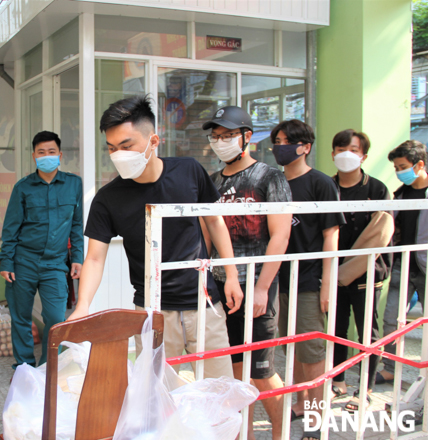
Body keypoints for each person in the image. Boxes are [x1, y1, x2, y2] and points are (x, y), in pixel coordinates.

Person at [68, 95, 243, 379]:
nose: (118, 155)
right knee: (160, 397)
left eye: (127, 146)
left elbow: (214, 220)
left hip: (204, 302)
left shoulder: (189, 171)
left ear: (153, 141)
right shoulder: (108, 198)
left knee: (219, 389)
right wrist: (83, 306)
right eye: (112, 148)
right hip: (152, 311)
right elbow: (95, 258)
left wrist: (231, 275)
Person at [204, 106, 292, 440]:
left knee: (262, 370)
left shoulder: (270, 177)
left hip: (257, 287)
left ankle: (281, 432)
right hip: (222, 289)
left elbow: (280, 235)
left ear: (246, 137)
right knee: (235, 372)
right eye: (215, 136)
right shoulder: (212, 182)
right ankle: (245, 435)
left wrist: (262, 288)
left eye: (227, 135)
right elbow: (206, 234)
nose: (220, 142)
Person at [270, 120, 344, 438]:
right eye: (276, 141)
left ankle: (316, 421)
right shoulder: (273, 182)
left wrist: (327, 284)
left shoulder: (321, 183)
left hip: (310, 281)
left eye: (286, 141)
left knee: (313, 354)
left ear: (305, 147)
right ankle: (300, 406)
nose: (279, 147)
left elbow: (331, 235)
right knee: (293, 349)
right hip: (279, 281)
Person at [0, 131, 83, 368]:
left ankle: (48, 368)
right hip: (23, 262)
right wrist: (6, 261)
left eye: (51, 152)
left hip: (55, 264)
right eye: (41, 152)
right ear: (34, 156)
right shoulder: (23, 188)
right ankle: (24, 368)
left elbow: (77, 224)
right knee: (21, 318)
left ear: (60, 155)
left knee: (56, 319)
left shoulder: (74, 184)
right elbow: (11, 227)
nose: (47, 156)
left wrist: (77, 257)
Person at [328, 129, 392, 412]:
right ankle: (337, 381)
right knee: (335, 328)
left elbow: (381, 233)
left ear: (364, 155)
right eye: (341, 148)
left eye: (353, 149)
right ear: (332, 154)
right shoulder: (326, 186)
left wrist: (348, 270)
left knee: (368, 330)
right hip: (330, 271)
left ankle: (364, 388)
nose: (346, 154)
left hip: (367, 272)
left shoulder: (377, 189)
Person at [379, 140, 428, 385]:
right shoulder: (400, 193)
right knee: (391, 319)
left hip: (425, 266)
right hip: (403, 265)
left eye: (402, 166)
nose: (399, 172)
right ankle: (389, 367)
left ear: (419, 164)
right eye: (397, 167)